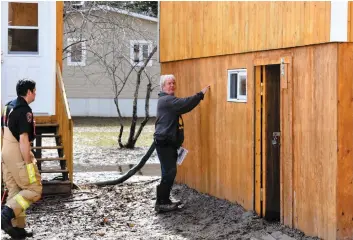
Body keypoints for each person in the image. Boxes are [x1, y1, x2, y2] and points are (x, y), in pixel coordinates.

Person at [154, 74, 210, 212]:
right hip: (165, 142)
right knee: (169, 173)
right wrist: (200, 94)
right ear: (163, 86)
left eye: (173, 83)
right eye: (169, 83)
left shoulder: (166, 100)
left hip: (168, 142)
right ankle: (161, 203)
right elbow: (186, 104)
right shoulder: (167, 100)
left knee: (167, 172)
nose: (172, 85)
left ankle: (164, 200)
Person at [1, 79, 42, 239]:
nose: (36, 93)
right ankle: (5, 216)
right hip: (17, 152)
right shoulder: (24, 111)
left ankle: (17, 228)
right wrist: (28, 163)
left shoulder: (8, 106)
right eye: (35, 90)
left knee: (15, 191)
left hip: (5, 151)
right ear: (29, 92)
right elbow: (24, 139)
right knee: (34, 189)